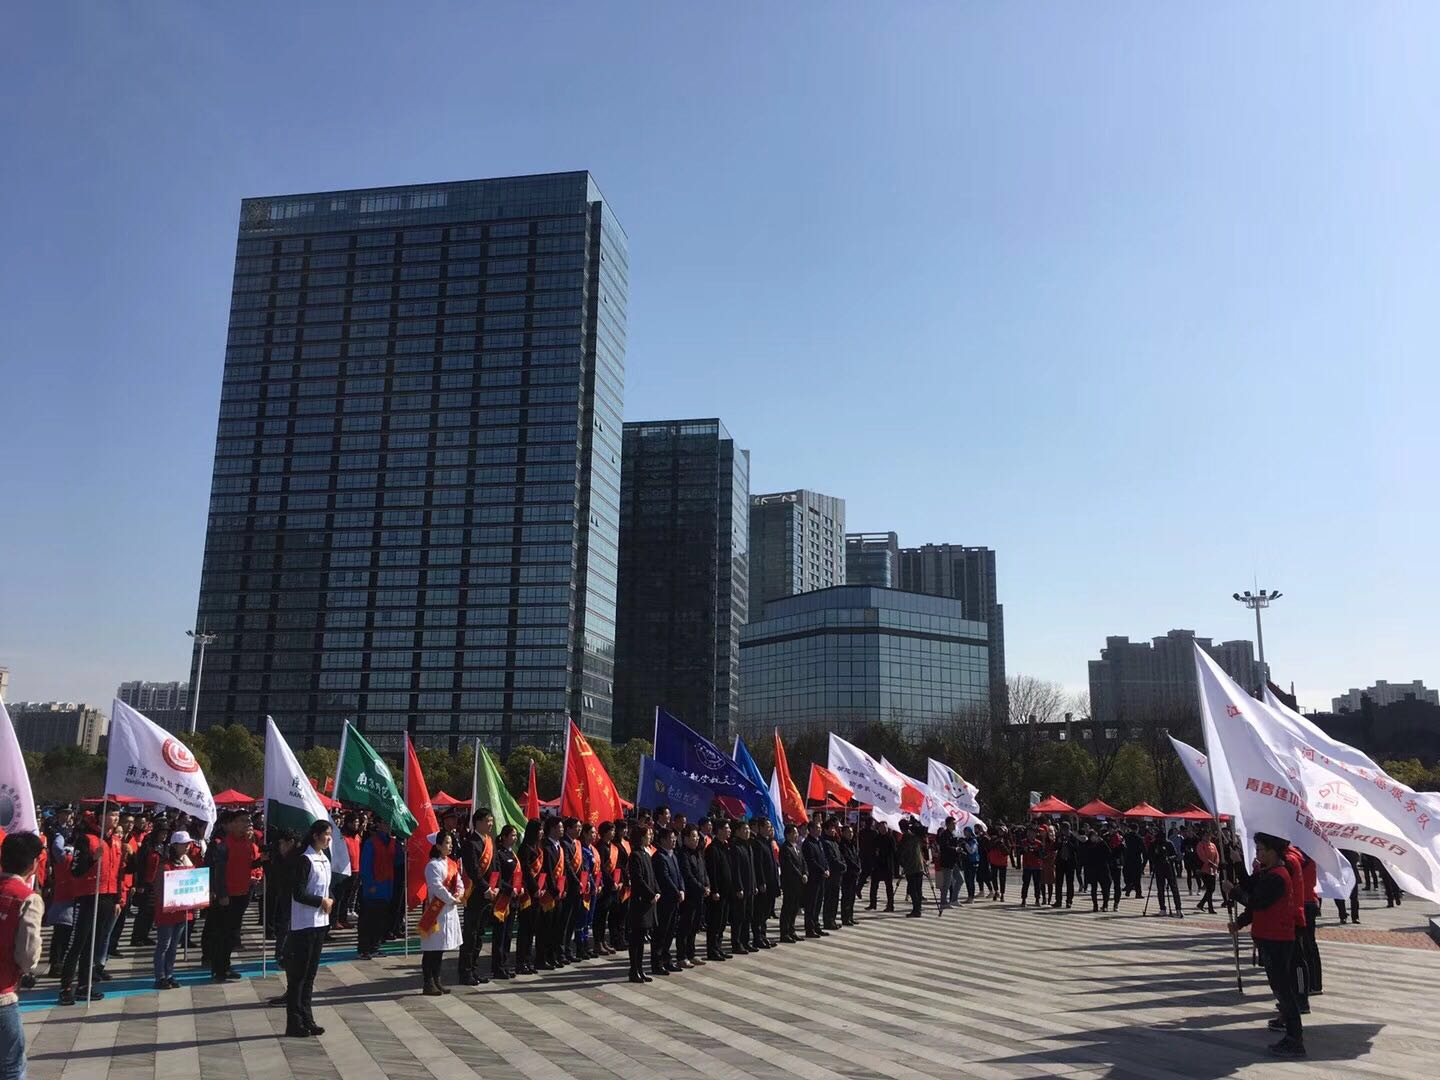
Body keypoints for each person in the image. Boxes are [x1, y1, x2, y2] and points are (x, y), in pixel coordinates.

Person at [1226, 833, 1305, 1057]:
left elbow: (1256, 901)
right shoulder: (1268, 873)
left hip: (1277, 939)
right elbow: (1252, 894)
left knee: (1283, 990)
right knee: (1279, 988)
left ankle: (1294, 1038)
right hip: (1269, 938)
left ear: (1273, 851)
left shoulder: (1277, 877)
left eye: (1261, 849)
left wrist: (1233, 891)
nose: (1258, 853)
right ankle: (1291, 1031)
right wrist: (1240, 923)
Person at [1, 832, 45, 1080]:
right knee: (11, 1068)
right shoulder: (27, 898)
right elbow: (27, 954)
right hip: (3, 992)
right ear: (34, 863)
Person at [285, 820, 333, 1039]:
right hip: (304, 924)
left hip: (320, 923)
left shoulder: (323, 858)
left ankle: (307, 1018)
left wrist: (330, 899)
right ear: (315, 835)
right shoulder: (305, 859)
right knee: (299, 976)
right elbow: (298, 893)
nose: (328, 838)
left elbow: (326, 888)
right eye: (326, 834)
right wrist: (320, 901)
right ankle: (294, 1021)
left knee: (310, 975)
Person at [208, 810, 262, 983]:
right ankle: (218, 969)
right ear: (231, 824)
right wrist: (222, 894)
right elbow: (219, 872)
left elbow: (248, 864)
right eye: (242, 820)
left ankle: (226, 966)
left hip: (242, 893)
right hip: (228, 895)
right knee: (223, 933)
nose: (247, 824)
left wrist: (262, 859)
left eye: (248, 820)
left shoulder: (247, 843)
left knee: (232, 934)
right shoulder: (223, 844)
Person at [419, 830, 464, 996]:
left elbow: (459, 882)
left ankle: (437, 980)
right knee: (431, 949)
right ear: (438, 846)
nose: (450, 846)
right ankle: (428, 982)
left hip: (448, 909)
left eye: (451, 843)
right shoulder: (432, 865)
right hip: (435, 911)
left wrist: (459, 893)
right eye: (447, 843)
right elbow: (437, 887)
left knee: (440, 949)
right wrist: (451, 898)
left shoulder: (451, 863)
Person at [151, 830, 195, 990]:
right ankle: (160, 976)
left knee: (174, 945)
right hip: (168, 911)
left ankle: (169, 974)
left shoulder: (188, 862)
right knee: (164, 944)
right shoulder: (165, 865)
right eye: (184, 844)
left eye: (188, 843)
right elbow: (159, 889)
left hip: (181, 910)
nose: (187, 846)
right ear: (175, 846)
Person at [457, 808, 496, 985]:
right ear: (478, 822)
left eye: (491, 820)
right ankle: (465, 972)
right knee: (470, 935)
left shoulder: (489, 841)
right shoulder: (470, 843)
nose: (491, 824)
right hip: (475, 894)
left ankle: (474, 969)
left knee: (480, 934)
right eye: (488, 821)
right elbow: (473, 870)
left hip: (489, 895)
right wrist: (486, 888)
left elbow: (495, 867)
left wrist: (495, 887)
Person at [357, 818, 396, 960]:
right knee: (369, 920)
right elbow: (365, 866)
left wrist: (404, 851)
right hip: (374, 887)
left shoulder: (392, 842)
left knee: (381, 920)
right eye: (385, 823)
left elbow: (397, 861)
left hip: (387, 887)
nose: (388, 826)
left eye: (389, 823)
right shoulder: (371, 843)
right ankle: (364, 949)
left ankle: (375, 946)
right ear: (379, 825)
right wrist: (370, 884)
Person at [626, 824, 659, 983]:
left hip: (649, 902)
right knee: (636, 938)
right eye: (648, 835)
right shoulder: (635, 855)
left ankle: (640, 969)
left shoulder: (646, 853)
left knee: (642, 939)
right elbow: (638, 880)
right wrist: (650, 894)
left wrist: (657, 891)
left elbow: (652, 876)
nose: (650, 837)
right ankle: (634, 970)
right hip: (640, 902)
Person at [651, 827, 683, 976]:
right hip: (665, 900)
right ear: (663, 840)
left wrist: (682, 889)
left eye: (675, 838)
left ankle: (666, 959)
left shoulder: (673, 855)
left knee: (670, 932)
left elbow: (679, 875)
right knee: (661, 932)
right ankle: (657, 963)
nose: (674, 840)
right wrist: (676, 891)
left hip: (675, 900)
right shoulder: (659, 857)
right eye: (671, 838)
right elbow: (664, 878)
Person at [489, 825, 520, 980]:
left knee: (508, 934)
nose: (515, 838)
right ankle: (497, 967)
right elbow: (497, 878)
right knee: (499, 935)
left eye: (515, 835)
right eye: (512, 835)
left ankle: (505, 964)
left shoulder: (512, 854)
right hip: (502, 898)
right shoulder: (499, 854)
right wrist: (509, 889)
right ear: (505, 837)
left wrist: (519, 888)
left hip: (513, 899)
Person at [677, 824, 708, 967]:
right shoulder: (683, 854)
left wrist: (707, 885)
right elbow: (688, 876)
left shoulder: (698, 853)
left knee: (695, 926)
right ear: (685, 838)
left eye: (697, 837)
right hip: (689, 896)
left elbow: (703, 872)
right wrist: (701, 888)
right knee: (685, 927)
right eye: (693, 837)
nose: (696, 840)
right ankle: (681, 956)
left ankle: (691, 953)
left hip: (699, 896)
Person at [515, 820, 543, 976]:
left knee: (532, 928)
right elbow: (525, 871)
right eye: (539, 830)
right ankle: (520, 962)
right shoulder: (525, 848)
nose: (541, 832)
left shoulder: (538, 848)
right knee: (525, 929)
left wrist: (541, 887)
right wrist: (535, 888)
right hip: (527, 893)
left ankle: (527, 959)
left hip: (538, 893)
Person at [704, 819, 733, 960]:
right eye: (727, 828)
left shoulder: (725, 846)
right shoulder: (713, 848)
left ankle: (718, 947)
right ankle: (712, 949)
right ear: (720, 830)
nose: (729, 831)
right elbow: (713, 872)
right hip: (717, 893)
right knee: (714, 922)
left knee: (722, 922)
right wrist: (714, 890)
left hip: (726, 892)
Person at [729, 820, 756, 953]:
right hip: (741, 889)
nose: (747, 832)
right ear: (737, 831)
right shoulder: (735, 847)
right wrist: (739, 887)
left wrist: (754, 885)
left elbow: (752, 868)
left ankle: (746, 941)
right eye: (744, 829)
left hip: (750, 887)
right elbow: (736, 870)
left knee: (748, 916)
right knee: (738, 917)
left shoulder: (748, 845)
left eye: (748, 829)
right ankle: (737, 943)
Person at [778, 823, 807, 943]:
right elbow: (790, 866)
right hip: (790, 883)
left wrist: (805, 873)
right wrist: (800, 875)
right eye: (794, 833)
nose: (796, 835)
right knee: (788, 908)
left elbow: (803, 862)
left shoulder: (797, 847)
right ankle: (784, 933)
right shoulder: (785, 848)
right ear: (787, 835)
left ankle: (791, 930)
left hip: (799, 883)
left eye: (797, 833)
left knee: (795, 907)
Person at [801, 819, 830, 937]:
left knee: (818, 904)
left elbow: (824, 858)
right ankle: (810, 928)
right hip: (813, 878)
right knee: (811, 905)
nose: (820, 830)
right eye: (817, 828)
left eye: (820, 828)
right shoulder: (808, 843)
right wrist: (822, 870)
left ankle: (816, 926)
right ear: (811, 829)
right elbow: (811, 861)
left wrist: (827, 868)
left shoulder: (819, 842)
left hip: (821, 878)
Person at [897, 819, 926, 917]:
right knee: (918, 889)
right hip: (919, 866)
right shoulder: (915, 836)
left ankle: (916, 910)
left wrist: (902, 865)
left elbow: (901, 853)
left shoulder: (905, 839)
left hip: (910, 867)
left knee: (913, 890)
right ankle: (918, 909)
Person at [867, 822, 896, 911]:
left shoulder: (890, 838)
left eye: (885, 827)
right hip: (877, 865)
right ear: (878, 828)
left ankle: (890, 905)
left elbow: (894, 851)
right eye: (881, 827)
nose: (883, 829)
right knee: (874, 885)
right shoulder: (876, 838)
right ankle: (872, 903)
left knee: (889, 886)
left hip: (887, 865)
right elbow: (872, 850)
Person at [820, 820, 843, 931]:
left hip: (837, 875)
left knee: (835, 898)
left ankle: (832, 920)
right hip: (831, 875)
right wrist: (842, 865)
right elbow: (831, 859)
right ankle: (828, 921)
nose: (834, 830)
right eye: (831, 828)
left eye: (834, 828)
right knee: (829, 899)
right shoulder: (825, 842)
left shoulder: (834, 842)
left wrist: (843, 864)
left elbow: (840, 856)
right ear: (825, 830)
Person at [1052, 822, 1077, 908]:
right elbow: (1054, 847)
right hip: (1060, 862)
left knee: (1070, 883)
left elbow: (1076, 848)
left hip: (1070, 862)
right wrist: (1059, 842)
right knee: (1059, 882)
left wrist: (1068, 842)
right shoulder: (1059, 837)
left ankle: (1069, 900)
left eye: (1066, 829)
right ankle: (1058, 900)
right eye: (1063, 829)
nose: (1065, 831)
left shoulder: (1073, 837)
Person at [1195, 830, 1220, 914]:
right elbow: (1202, 856)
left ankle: (1201, 904)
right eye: (1205, 835)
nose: (1207, 837)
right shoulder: (1200, 845)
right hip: (1204, 869)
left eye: (1209, 835)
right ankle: (1210, 907)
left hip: (1213, 870)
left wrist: (1216, 864)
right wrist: (1211, 864)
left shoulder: (1213, 845)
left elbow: (1217, 855)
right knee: (1209, 888)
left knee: (1211, 889)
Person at [986, 827, 1010, 901]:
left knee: (1002, 878)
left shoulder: (1006, 840)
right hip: (994, 861)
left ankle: (1002, 893)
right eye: (999, 831)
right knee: (994, 877)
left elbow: (1008, 852)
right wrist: (995, 842)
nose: (1000, 832)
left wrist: (1002, 845)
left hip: (1002, 862)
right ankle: (996, 891)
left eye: (1002, 831)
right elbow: (988, 847)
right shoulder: (994, 839)